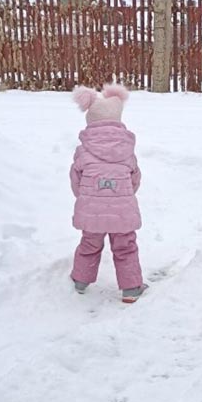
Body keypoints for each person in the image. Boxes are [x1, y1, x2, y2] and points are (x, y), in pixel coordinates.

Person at [69, 82, 147, 303]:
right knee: (125, 247)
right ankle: (131, 289)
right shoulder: (127, 150)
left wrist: (86, 198)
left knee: (89, 244)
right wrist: (123, 195)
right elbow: (135, 179)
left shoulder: (83, 151)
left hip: (91, 211)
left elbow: (76, 180)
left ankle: (80, 281)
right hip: (123, 213)